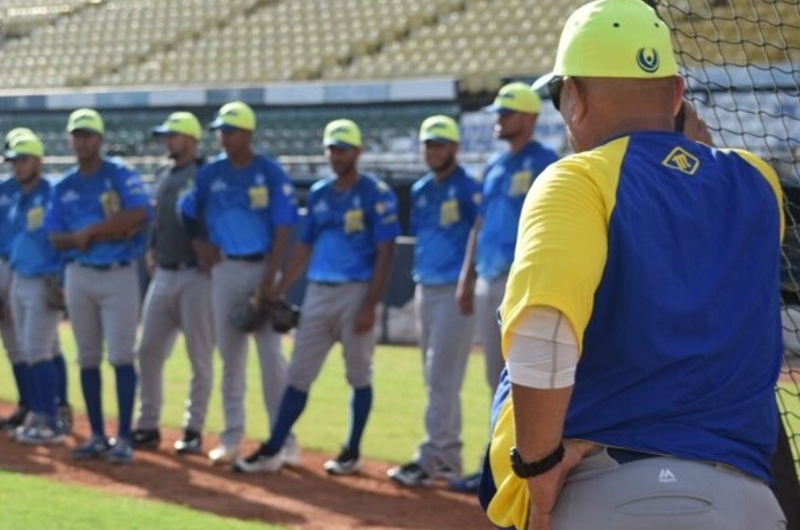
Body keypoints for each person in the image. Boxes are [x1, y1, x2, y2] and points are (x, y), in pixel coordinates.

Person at [478, 1, 786, 529]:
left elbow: (544, 335)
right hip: (752, 500)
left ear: (572, 97)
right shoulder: (759, 183)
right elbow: (690, 200)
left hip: (615, 493)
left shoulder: (574, 180)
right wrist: (681, 142)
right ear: (677, 94)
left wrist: (540, 465)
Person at [232, 118, 400, 475]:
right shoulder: (321, 192)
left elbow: (386, 251)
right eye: (331, 148)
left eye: (342, 149)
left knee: (358, 374)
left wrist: (370, 304)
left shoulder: (375, 192)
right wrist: (275, 291)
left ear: (357, 151)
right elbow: (302, 249)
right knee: (298, 374)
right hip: (319, 292)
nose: (336, 155)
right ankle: (274, 446)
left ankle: (351, 449)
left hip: (356, 290)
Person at [451, 82, 559, 493]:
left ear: (529, 117)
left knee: (523, 377)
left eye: (506, 113)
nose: (498, 119)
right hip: (487, 277)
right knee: (494, 378)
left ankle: (516, 469)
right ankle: (496, 465)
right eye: (497, 113)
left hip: (522, 282)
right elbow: (478, 226)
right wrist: (467, 277)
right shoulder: (494, 166)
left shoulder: (545, 163)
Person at [179, 101, 298, 465]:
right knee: (230, 357)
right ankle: (231, 437)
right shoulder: (210, 174)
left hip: (263, 266)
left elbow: (284, 229)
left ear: (247, 134)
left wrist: (269, 283)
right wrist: (200, 245)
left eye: (230, 131)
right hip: (225, 269)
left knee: (271, 361)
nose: (223, 137)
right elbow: (185, 211)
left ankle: (284, 441)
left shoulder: (270, 172)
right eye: (220, 131)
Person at [45, 108, 151, 464]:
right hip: (79, 273)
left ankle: (123, 436)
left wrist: (92, 232)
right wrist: (95, 234)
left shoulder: (119, 174)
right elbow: (54, 236)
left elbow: (139, 213)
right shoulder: (64, 184)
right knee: (87, 356)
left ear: (100, 139)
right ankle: (96, 434)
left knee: (122, 355)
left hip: (118, 272)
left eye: (88, 134)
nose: (81, 140)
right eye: (76, 134)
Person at [387, 115, 481, 487]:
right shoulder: (422, 189)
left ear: (455, 147)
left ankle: (432, 455)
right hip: (426, 284)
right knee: (435, 376)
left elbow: (480, 233)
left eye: (439, 143)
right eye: (428, 143)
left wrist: (467, 281)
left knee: (441, 373)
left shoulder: (469, 188)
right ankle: (448, 457)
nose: (432, 150)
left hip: (456, 291)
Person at [130, 112, 214, 455]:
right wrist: (152, 248)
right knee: (148, 350)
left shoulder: (205, 175)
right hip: (165, 271)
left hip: (197, 274)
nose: (168, 141)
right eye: (166, 136)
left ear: (192, 140)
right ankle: (148, 424)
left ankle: (193, 428)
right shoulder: (165, 174)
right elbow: (160, 218)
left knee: (200, 357)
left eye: (174, 136)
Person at [4, 131, 66, 444]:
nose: (17, 166)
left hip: (43, 278)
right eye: (14, 161)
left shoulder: (51, 192)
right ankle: (40, 415)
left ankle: (50, 419)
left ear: (38, 161)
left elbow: (62, 233)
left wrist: (61, 277)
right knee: (30, 349)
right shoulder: (17, 195)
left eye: (23, 160)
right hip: (19, 275)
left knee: (38, 349)